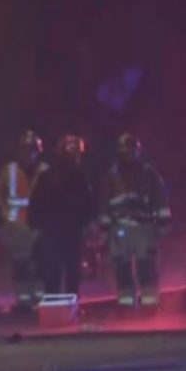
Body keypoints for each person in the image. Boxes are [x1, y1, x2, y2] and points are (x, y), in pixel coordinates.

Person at [99, 132, 171, 309]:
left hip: (141, 227)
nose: (129, 154)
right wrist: (104, 228)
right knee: (123, 267)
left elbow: (160, 200)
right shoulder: (112, 176)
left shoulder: (148, 174)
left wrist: (163, 223)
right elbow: (104, 204)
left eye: (131, 150)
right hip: (125, 229)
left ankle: (148, 303)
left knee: (145, 266)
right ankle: (127, 303)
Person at [0, 130, 49, 312]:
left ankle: (41, 298)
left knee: (42, 263)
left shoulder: (45, 170)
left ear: (38, 151)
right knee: (21, 264)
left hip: (40, 226)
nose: (28, 154)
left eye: (32, 150)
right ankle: (23, 301)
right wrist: (4, 212)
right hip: (16, 226)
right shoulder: (9, 170)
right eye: (25, 149)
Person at [29, 134, 94, 296]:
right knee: (71, 272)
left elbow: (35, 204)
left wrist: (36, 227)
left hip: (53, 232)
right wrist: (89, 223)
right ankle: (71, 306)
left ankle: (53, 306)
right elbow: (88, 204)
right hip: (70, 231)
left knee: (54, 272)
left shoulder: (47, 176)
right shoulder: (80, 177)